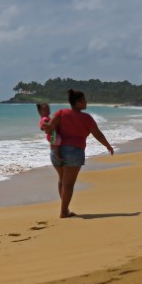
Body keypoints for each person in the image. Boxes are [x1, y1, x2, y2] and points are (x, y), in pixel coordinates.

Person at [44, 89, 114, 218]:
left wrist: (52, 144)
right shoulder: (86, 118)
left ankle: (65, 208)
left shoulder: (60, 113)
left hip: (56, 151)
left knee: (62, 179)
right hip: (74, 152)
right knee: (68, 184)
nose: (86, 102)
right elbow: (97, 134)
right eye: (84, 101)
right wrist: (108, 146)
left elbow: (50, 128)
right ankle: (64, 211)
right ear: (77, 103)